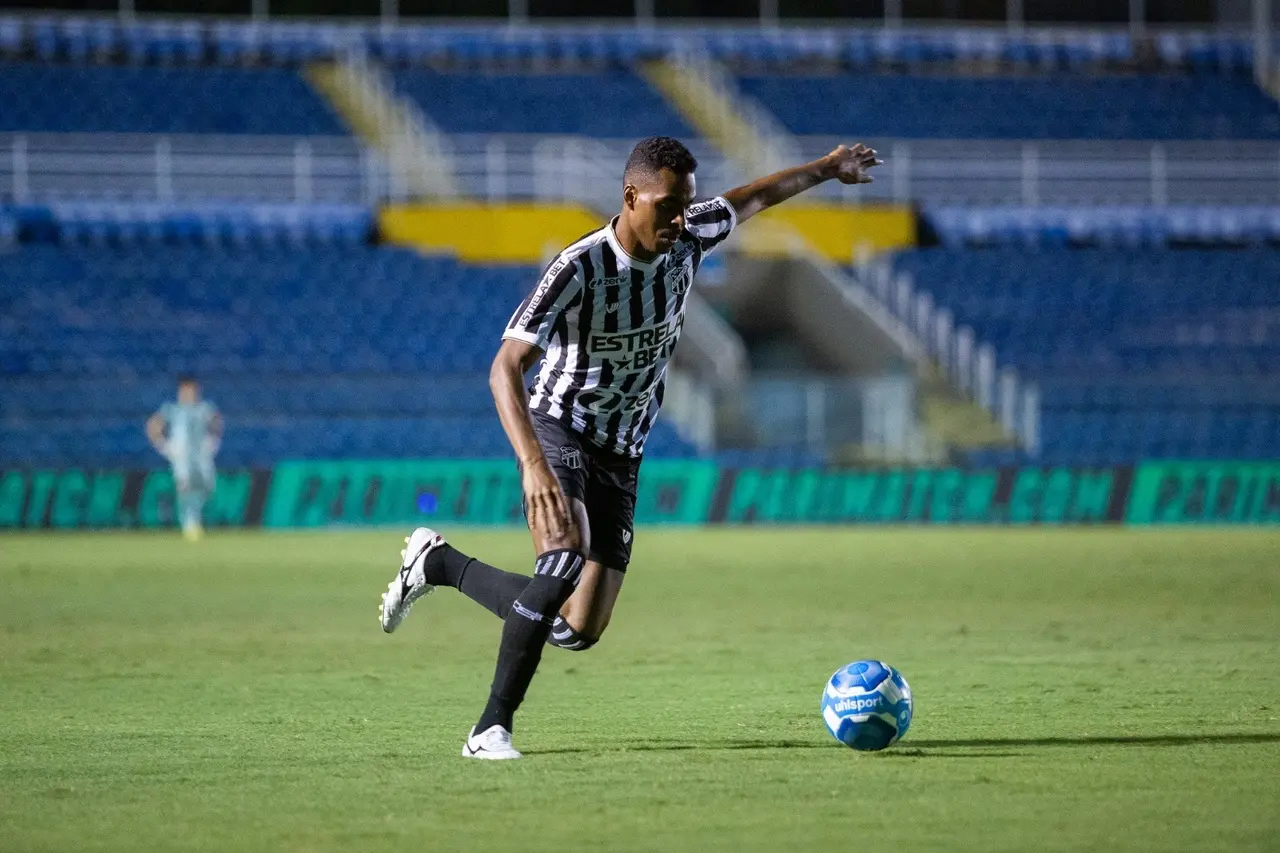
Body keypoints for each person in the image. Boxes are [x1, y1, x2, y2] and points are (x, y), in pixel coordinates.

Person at [378, 136, 881, 759]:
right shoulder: (579, 267)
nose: (680, 219)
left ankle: (439, 563)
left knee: (577, 628)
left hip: (623, 448)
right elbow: (504, 367)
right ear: (631, 196)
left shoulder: (691, 234)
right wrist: (534, 466)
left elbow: (754, 197)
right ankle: (489, 730)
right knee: (562, 560)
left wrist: (826, 169)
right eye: (668, 205)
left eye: (686, 204)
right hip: (560, 426)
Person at [146, 376, 222, 541]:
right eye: (185, 391)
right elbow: (153, 425)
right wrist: (163, 446)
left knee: (207, 487)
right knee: (186, 488)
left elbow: (217, 422)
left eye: (191, 391)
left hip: (202, 457)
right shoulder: (171, 409)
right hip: (182, 458)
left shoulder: (204, 408)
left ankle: (195, 519)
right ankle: (189, 524)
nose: (188, 394)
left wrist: (214, 441)